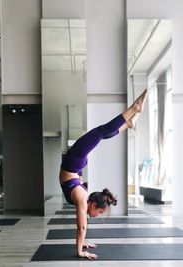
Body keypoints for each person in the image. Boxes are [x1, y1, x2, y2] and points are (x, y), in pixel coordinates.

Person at [59, 89, 148, 260]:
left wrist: (81, 249)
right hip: (75, 164)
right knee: (100, 133)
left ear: (92, 204)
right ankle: (131, 116)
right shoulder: (82, 199)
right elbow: (82, 227)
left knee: (100, 133)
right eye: (101, 212)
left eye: (99, 212)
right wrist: (81, 246)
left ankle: (132, 113)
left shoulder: (82, 200)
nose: (98, 215)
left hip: (74, 162)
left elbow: (81, 228)